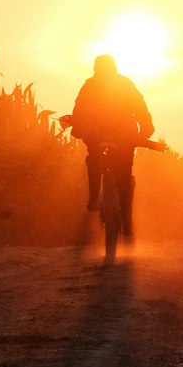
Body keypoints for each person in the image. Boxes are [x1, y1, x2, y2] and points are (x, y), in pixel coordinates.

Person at [64, 54, 154, 236]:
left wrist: (78, 128)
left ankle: (94, 199)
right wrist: (145, 129)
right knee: (124, 173)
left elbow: (79, 110)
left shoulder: (90, 85)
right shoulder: (124, 84)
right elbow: (140, 107)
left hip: (99, 136)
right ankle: (125, 216)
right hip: (123, 137)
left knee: (94, 159)